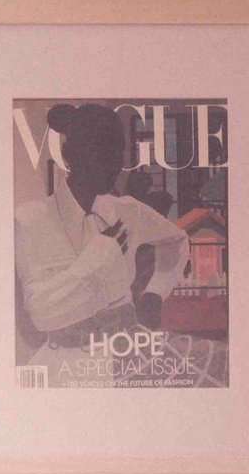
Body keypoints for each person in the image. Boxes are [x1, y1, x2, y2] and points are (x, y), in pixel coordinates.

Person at [14, 103, 194, 382]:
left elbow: (177, 240)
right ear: (69, 155)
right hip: (66, 365)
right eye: (100, 150)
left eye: (117, 152)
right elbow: (41, 313)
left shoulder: (128, 211)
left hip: (129, 356)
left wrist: (155, 293)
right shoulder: (30, 220)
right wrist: (102, 254)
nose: (113, 164)